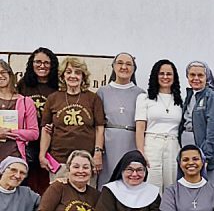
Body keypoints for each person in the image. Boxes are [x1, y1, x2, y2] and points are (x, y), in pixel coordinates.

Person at [39, 57, 106, 182]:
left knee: (85, 199)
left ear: (83, 76)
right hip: (59, 161)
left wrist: (98, 153)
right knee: (59, 198)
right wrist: (42, 155)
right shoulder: (53, 98)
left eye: (77, 72)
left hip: (86, 162)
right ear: (63, 76)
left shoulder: (93, 98)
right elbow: (46, 129)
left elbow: (99, 128)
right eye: (68, 72)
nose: (73, 76)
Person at [135, 59, 184, 194]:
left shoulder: (180, 100)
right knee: (152, 184)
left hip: (173, 144)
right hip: (152, 144)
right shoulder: (144, 98)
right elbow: (140, 128)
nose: (165, 77)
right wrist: (141, 152)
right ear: (155, 76)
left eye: (169, 74)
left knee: (171, 185)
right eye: (161, 73)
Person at [97, 53, 145, 189]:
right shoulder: (102, 92)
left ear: (134, 68)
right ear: (113, 66)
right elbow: (99, 125)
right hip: (109, 143)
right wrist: (98, 150)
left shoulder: (140, 94)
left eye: (128, 64)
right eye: (120, 63)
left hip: (131, 141)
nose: (124, 67)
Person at [17, 47, 59, 194]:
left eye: (47, 63)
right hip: (28, 140)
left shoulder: (59, 87)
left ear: (52, 65)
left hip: (50, 140)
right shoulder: (23, 85)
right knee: (27, 179)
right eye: (38, 62)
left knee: (47, 182)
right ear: (31, 64)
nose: (42, 66)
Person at [179, 61, 214, 189]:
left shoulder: (211, 97)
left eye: (200, 75)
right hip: (190, 153)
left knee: (211, 192)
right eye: (192, 75)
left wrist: (205, 156)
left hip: (208, 157)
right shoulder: (189, 96)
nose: (196, 78)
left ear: (207, 78)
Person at [0, 60, 39, 163]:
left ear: (10, 74)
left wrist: (9, 133)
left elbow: (34, 133)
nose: (0, 76)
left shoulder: (26, 102)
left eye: (3, 72)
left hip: (15, 158)